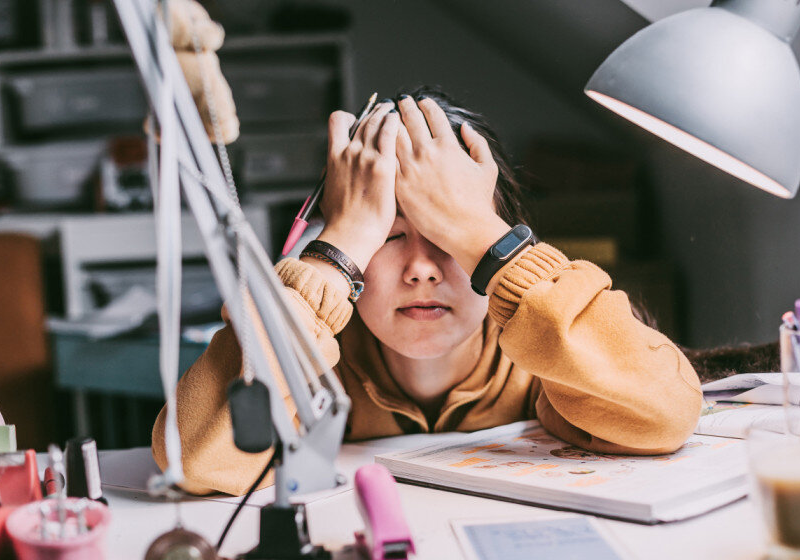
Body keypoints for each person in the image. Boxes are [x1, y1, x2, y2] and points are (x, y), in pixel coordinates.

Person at [152, 87, 703, 496]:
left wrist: (487, 238)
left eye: (450, 239)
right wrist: (335, 247)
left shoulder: (547, 351)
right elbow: (200, 460)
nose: (421, 270)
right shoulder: (314, 363)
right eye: (387, 236)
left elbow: (665, 416)